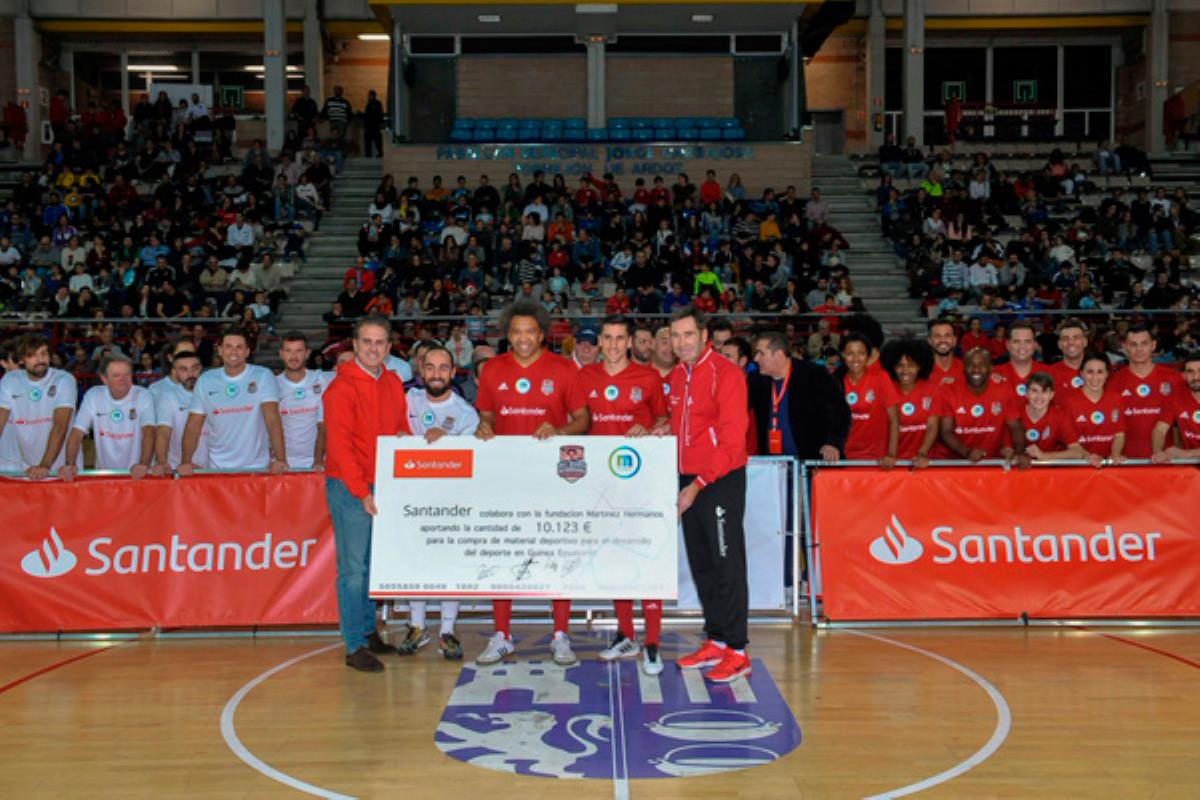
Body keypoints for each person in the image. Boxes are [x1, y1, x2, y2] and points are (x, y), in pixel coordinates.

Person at [473, 301, 590, 666]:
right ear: (508, 335)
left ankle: (560, 634)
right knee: (504, 554)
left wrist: (558, 431)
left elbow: (583, 419)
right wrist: (484, 427)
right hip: (506, 477)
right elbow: (486, 416)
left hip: (553, 478)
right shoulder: (492, 369)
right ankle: (502, 634)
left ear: (541, 334)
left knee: (557, 554)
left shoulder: (563, 368)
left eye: (530, 331)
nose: (523, 338)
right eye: (516, 332)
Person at [579, 315, 669, 675]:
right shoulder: (585, 376)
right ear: (599, 341)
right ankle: (626, 634)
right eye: (608, 338)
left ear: (631, 342)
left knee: (646, 558)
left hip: (641, 482)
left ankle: (653, 642)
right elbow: (575, 422)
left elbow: (666, 421)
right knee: (615, 558)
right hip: (601, 486)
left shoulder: (648, 377)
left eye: (620, 339)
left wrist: (647, 429)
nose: (614, 345)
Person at [668, 307, 752, 683]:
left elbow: (733, 443)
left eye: (688, 335)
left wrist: (698, 484)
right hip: (688, 479)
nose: (681, 342)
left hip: (718, 481)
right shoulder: (677, 375)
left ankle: (737, 649)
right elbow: (684, 427)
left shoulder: (726, 373)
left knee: (726, 564)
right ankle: (716, 639)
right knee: (702, 564)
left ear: (703, 336)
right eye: (675, 336)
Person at [323, 315, 410, 672]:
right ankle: (354, 645)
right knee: (354, 569)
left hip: (382, 484)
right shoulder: (340, 389)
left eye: (380, 343)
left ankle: (367, 630)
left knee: (373, 567)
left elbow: (399, 430)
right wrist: (362, 491)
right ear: (355, 346)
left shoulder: (391, 381)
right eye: (367, 342)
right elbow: (341, 448)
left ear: (389, 348)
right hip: (350, 486)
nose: (373, 349)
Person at [399, 345, 480, 661]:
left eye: (443, 367)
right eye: (430, 367)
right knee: (414, 561)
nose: (436, 374)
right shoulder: (407, 401)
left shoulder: (465, 413)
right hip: (411, 498)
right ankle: (416, 627)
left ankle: (447, 630)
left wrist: (447, 443)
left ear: (453, 370)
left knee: (449, 563)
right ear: (420, 368)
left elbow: (474, 458)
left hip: (451, 502)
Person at [178, 327, 288, 475]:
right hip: (217, 468)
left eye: (239, 347)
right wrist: (186, 461)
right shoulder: (206, 380)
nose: (234, 352)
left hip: (256, 467)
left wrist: (281, 458)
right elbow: (193, 425)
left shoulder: (262, 375)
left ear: (247, 352)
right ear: (220, 350)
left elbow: (272, 419)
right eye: (228, 347)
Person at [749, 330, 850, 461]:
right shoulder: (757, 380)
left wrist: (834, 443)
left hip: (811, 461)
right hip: (772, 465)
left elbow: (841, 412)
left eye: (761, 354)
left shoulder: (813, 374)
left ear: (779, 354)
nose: (756, 359)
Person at [59, 355, 156, 480]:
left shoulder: (143, 395)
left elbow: (149, 431)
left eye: (127, 375)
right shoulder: (93, 395)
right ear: (104, 379)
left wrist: (144, 464)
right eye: (116, 376)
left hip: (138, 473)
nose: (123, 380)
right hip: (104, 474)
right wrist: (69, 464)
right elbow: (76, 433)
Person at [0, 334, 77, 477]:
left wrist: (45, 465)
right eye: (32, 355)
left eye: (44, 353)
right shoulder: (10, 380)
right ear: (22, 359)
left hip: (58, 466)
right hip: (25, 465)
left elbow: (60, 426)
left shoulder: (64, 379)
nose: (40, 359)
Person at [1109, 325, 1188, 459]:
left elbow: (1184, 422)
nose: (1139, 349)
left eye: (1144, 343)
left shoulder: (1174, 379)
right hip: (1125, 462)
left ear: (1153, 345)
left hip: (1164, 461)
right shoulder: (1113, 382)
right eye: (1133, 344)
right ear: (1125, 346)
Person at [938, 348, 1028, 465]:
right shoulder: (949, 390)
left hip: (994, 462)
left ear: (991, 368)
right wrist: (967, 452)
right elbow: (946, 431)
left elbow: (1016, 426)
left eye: (982, 365)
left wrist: (1019, 452)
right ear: (963, 368)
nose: (976, 369)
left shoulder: (1003, 388)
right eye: (971, 365)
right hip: (957, 462)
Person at [839, 333, 899, 468]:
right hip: (845, 457)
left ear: (868, 356)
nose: (855, 358)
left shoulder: (881, 378)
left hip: (877, 458)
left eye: (861, 353)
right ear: (843, 355)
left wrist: (891, 453)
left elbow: (894, 418)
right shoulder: (837, 381)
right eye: (850, 353)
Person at [880, 339, 941, 466]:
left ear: (920, 366)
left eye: (911, 365)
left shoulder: (931, 389)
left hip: (921, 463)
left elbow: (932, 426)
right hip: (891, 463)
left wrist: (922, 454)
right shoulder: (886, 388)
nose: (905, 371)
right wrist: (891, 455)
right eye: (900, 365)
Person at [275, 332, 329, 470]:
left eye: (299, 350)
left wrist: (318, 460)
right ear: (281, 353)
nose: (293, 356)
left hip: (317, 462)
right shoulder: (272, 384)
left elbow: (323, 424)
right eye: (288, 351)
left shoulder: (321, 379)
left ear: (307, 353)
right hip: (282, 463)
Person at [1063, 352, 1127, 466]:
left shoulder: (1116, 398)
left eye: (1100, 372)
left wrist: (1115, 454)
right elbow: (1071, 443)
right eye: (1090, 372)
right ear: (1081, 373)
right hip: (1079, 467)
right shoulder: (1069, 402)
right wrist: (1088, 456)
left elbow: (1119, 434)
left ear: (1107, 374)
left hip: (1108, 466)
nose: (1095, 377)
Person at [152, 349, 207, 473]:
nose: (191, 374)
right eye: (183, 369)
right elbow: (163, 432)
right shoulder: (167, 397)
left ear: (201, 369)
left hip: (211, 467)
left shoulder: (213, 393)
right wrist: (161, 461)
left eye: (195, 368)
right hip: (179, 468)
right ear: (174, 373)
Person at [1014, 373, 1088, 462]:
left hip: (1050, 471)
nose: (1039, 396)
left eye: (1044, 391)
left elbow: (1078, 451)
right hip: (1018, 471)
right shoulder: (1014, 413)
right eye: (1034, 391)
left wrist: (1044, 456)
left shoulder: (1059, 415)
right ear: (1026, 393)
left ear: (1051, 395)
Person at [1151, 353, 1200, 463]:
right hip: (1191, 468)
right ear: (1184, 375)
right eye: (1190, 372)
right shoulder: (1176, 397)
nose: (1196, 377)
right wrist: (1158, 452)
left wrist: (1188, 454)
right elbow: (1160, 430)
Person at [993, 321, 1045, 401]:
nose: (1022, 346)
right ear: (1007, 345)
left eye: (1027, 341)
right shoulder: (993, 374)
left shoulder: (1050, 374)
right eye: (1016, 342)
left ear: (1035, 345)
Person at [1047, 318, 1089, 397]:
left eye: (1076, 338)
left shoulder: (1099, 372)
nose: (1071, 342)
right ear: (1059, 344)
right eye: (1065, 339)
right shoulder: (1049, 375)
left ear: (1085, 342)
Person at [927, 318, 965, 386]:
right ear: (929, 341)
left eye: (947, 336)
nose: (942, 340)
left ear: (954, 340)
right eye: (937, 336)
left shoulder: (966, 369)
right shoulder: (920, 371)